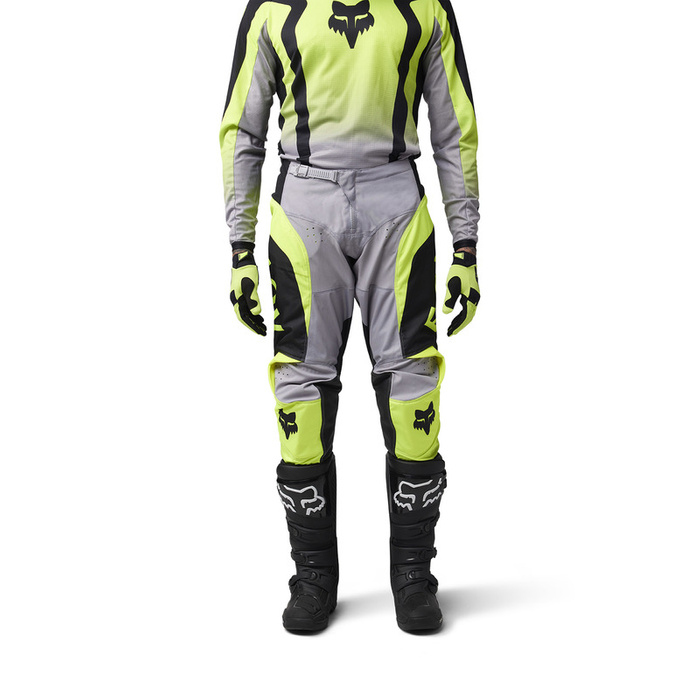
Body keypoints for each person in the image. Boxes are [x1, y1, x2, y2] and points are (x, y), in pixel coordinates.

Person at [219, 0, 480, 633]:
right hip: (304, 209)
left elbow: (454, 128)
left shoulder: (427, 7)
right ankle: (313, 575)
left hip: (397, 204)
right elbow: (243, 130)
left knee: (413, 386)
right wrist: (240, 249)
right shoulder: (271, 8)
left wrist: (467, 247)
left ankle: (413, 575)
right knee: (300, 392)